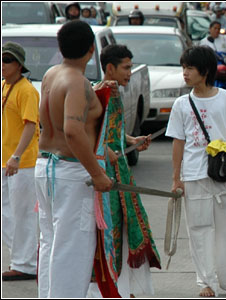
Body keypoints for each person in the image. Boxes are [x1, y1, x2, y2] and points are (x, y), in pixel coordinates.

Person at [35, 20, 114, 298]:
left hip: (45, 167)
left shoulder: (50, 74)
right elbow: (72, 130)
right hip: (70, 172)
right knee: (71, 247)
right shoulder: (77, 82)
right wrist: (97, 174)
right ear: (92, 49)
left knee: (50, 242)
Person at [166, 46, 226, 297]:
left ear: (205, 71)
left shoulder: (225, 99)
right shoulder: (181, 104)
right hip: (194, 176)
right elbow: (178, 143)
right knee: (200, 230)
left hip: (223, 174)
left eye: (190, 68)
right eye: (184, 68)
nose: (185, 73)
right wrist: (176, 178)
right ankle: (206, 282)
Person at [86, 44, 160, 298]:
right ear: (110, 68)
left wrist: (130, 140)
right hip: (104, 175)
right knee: (109, 231)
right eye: (126, 68)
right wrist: (107, 152)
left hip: (120, 171)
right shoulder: (100, 92)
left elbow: (112, 129)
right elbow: (90, 134)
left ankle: (123, 287)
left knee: (125, 229)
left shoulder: (114, 91)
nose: (130, 72)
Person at [1, 42, 39, 281]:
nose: (3, 65)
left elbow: (31, 125)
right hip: (6, 161)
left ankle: (26, 264)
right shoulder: (5, 86)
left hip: (22, 162)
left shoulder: (27, 90)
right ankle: (21, 257)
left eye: (7, 60)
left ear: (19, 65)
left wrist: (16, 155)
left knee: (23, 213)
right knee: (7, 213)